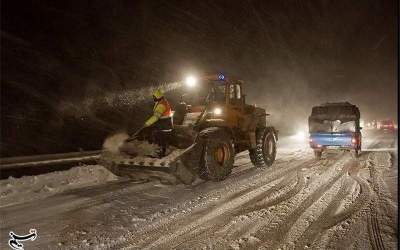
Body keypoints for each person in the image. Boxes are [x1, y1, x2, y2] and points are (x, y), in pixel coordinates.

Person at [141, 89, 173, 157]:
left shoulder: (161, 105)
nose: (153, 98)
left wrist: (147, 123)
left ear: (157, 97)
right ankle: (161, 151)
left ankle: (162, 152)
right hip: (164, 123)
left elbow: (156, 116)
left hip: (165, 125)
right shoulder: (161, 101)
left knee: (160, 137)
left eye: (154, 97)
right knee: (159, 136)